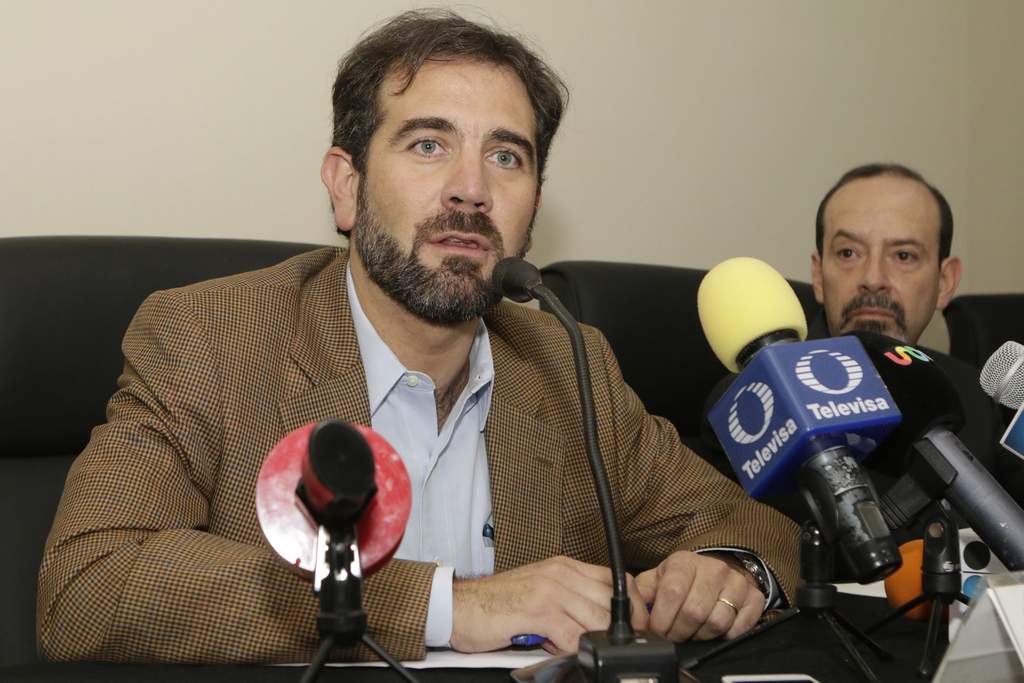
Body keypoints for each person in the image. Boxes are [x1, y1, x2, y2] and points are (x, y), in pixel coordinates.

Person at [37, 10, 799, 664]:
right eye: (429, 144)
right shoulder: (210, 338)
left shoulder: (568, 364)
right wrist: (450, 604)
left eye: (506, 156)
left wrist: (724, 573)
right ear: (346, 187)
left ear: (533, 205)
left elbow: (756, 528)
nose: (472, 189)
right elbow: (87, 586)